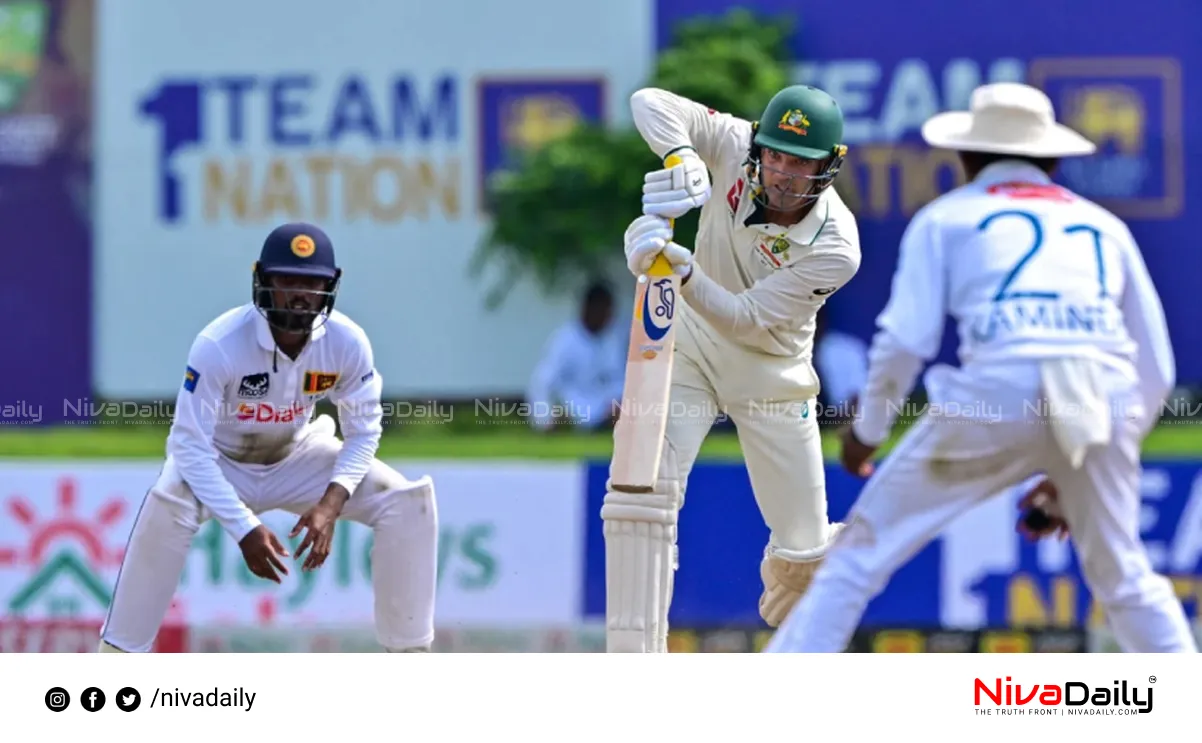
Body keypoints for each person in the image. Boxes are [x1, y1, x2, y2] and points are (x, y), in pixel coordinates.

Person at [765, 82, 1197, 653]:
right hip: (1102, 398)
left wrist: (866, 435)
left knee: (857, 557)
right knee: (1125, 577)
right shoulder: (1104, 226)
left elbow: (904, 342)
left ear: (966, 158)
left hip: (997, 394)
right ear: (1052, 159)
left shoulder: (948, 217)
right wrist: (1081, 455)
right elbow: (1156, 370)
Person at [98, 222, 439, 653]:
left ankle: (411, 662)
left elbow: (364, 431)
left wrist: (331, 505)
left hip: (298, 456)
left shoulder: (347, 343)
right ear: (263, 280)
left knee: (405, 501)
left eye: (312, 284)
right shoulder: (219, 344)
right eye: (288, 281)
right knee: (168, 502)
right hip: (220, 463)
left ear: (332, 285)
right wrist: (244, 528)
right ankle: (118, 661)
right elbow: (188, 447)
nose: (301, 294)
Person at [603, 84, 862, 652]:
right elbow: (648, 101)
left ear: (830, 165)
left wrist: (677, 272)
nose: (783, 173)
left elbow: (746, 319)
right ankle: (634, 662)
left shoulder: (837, 245)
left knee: (801, 563)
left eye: (801, 162)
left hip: (772, 375)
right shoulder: (733, 143)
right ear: (759, 147)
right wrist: (682, 157)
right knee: (642, 487)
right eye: (775, 155)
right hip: (691, 351)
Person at [526, 281, 627, 431]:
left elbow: (619, 380)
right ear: (588, 308)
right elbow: (542, 382)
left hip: (604, 406)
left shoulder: (614, 339)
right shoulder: (565, 340)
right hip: (573, 406)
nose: (608, 317)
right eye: (603, 311)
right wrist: (544, 419)